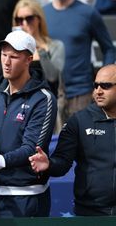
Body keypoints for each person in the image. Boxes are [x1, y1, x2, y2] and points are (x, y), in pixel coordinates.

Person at [0, 30, 57, 217]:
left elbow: (33, 149)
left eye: (14, 57)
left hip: (26, 197)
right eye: (3, 55)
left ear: (29, 60)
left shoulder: (43, 99)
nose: (6, 62)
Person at [29, 64, 116, 216]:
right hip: (90, 213)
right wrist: (49, 164)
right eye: (95, 86)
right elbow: (62, 161)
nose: (98, 91)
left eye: (106, 86)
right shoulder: (79, 121)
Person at [37, 0, 116, 125]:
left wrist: (105, 80)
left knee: (85, 144)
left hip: (82, 94)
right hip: (50, 95)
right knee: (53, 146)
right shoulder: (41, 15)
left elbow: (109, 48)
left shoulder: (88, 13)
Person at [12, 0, 65, 133]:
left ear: (39, 19)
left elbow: (53, 77)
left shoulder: (54, 46)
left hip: (47, 108)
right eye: (19, 20)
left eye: (29, 19)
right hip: (18, 110)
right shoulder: (12, 50)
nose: (24, 24)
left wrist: (38, 51)